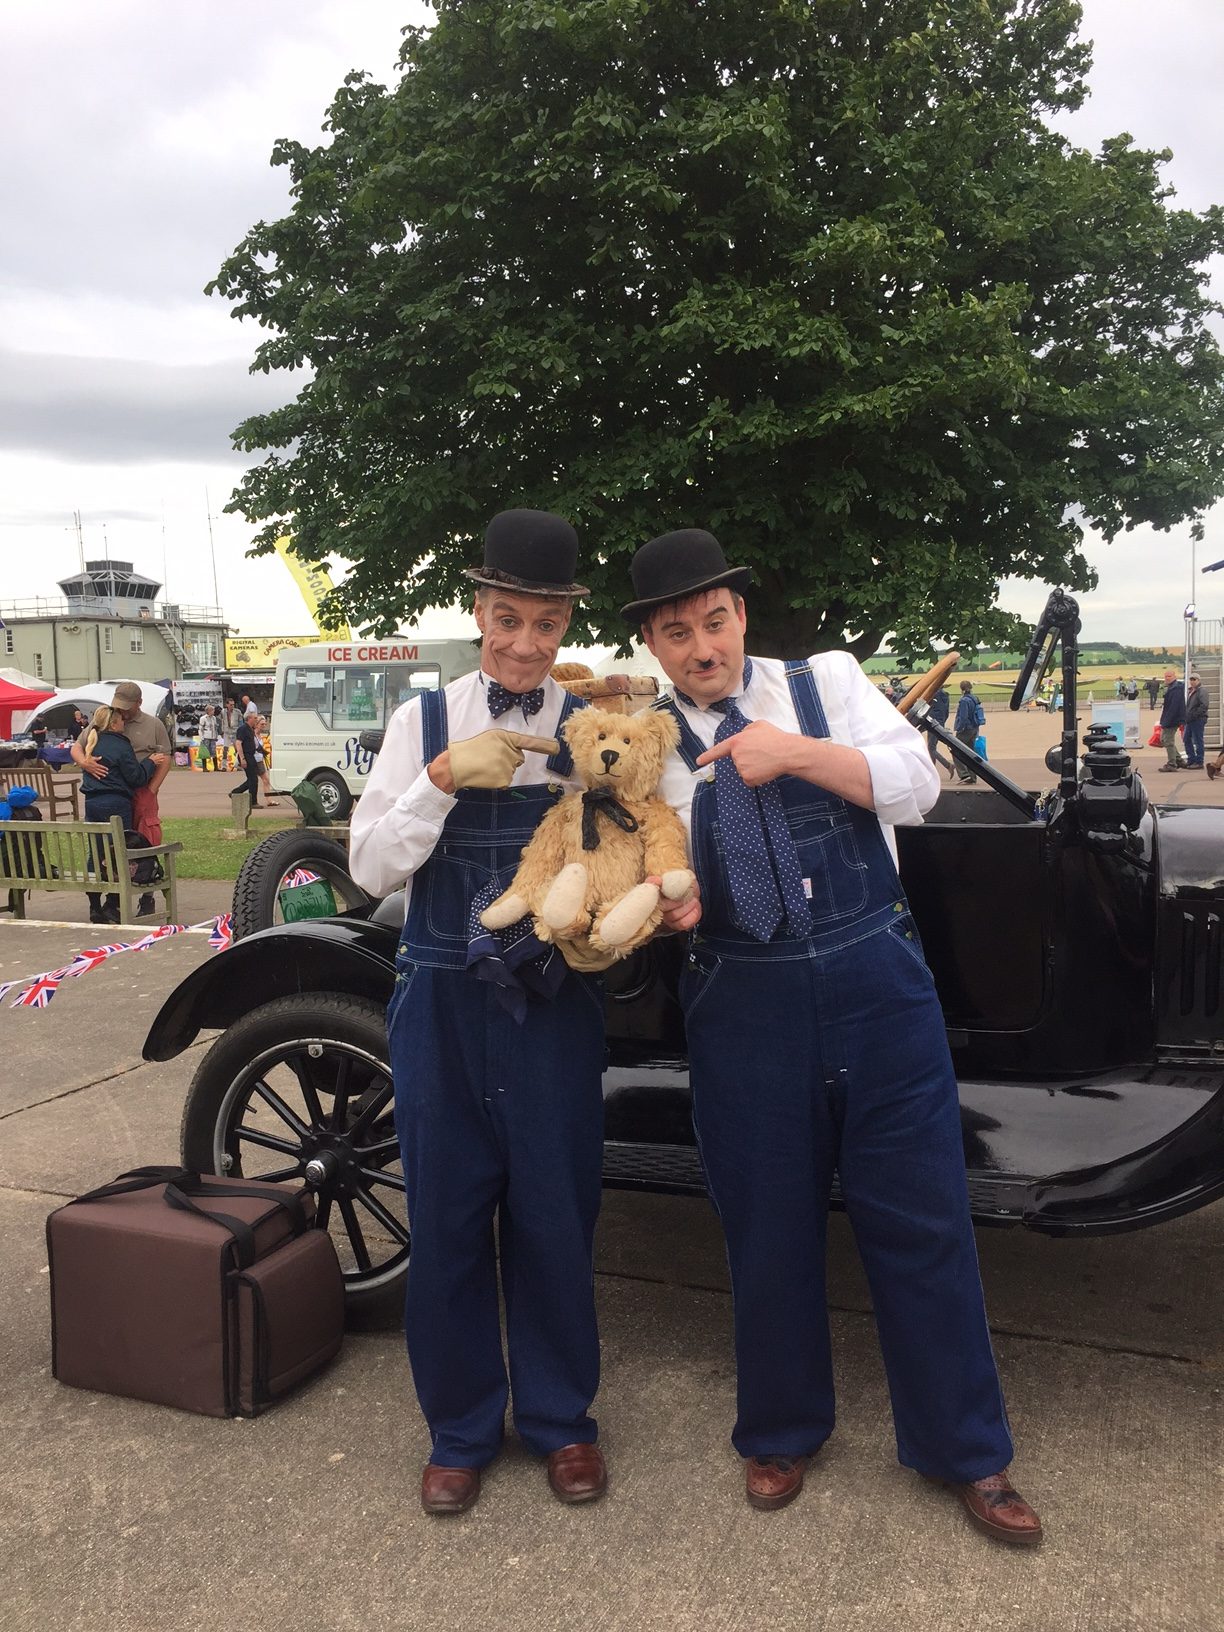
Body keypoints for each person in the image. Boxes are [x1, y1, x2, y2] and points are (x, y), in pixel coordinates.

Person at [624, 528, 1040, 1545]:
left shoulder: (827, 684)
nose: (701, 647)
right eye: (676, 633)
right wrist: (657, 903)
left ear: (740, 616)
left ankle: (968, 1451)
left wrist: (795, 754)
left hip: (877, 991)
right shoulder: (642, 748)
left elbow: (920, 786)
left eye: (713, 622)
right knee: (764, 1225)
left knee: (924, 1220)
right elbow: (636, 863)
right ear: (652, 643)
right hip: (743, 1009)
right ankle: (780, 1428)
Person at [348, 510, 609, 1517]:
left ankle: (560, 1422)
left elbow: (644, 829)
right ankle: (459, 1428)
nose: (524, 645)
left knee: (555, 1212)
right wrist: (442, 780)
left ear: (565, 625)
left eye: (545, 625)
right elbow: (370, 867)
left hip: (552, 1002)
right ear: (478, 611)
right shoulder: (424, 720)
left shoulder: (587, 726)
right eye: (507, 619)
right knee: (450, 1218)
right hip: (441, 999)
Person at [72, 681, 172, 915]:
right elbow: (77, 747)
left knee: (145, 841)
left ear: (139, 703)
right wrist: (84, 762)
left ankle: (143, 897)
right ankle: (113, 902)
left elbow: (166, 759)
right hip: (122, 791)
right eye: (120, 707)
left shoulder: (153, 724)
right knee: (122, 849)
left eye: (127, 707)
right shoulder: (107, 720)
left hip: (138, 792)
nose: (123, 712)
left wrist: (152, 791)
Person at [953, 679, 985, 784]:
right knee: (971, 752)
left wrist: (959, 728)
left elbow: (963, 717)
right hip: (975, 728)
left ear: (961, 689)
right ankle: (973, 776)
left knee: (956, 750)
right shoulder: (975, 698)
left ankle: (964, 774)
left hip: (965, 729)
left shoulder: (964, 701)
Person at [1157, 668, 1187, 771]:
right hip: (1169, 718)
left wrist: (1166, 721)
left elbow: (1174, 707)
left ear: (1174, 677)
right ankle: (1178, 759)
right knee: (1163, 740)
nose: (1167, 678)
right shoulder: (1171, 688)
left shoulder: (1176, 689)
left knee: (1168, 741)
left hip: (1172, 719)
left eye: (1169, 676)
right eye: (1166, 676)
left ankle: (1172, 764)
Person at [925, 685, 955, 778]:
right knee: (931, 747)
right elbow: (946, 712)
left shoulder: (934, 695)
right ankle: (932, 771)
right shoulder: (945, 696)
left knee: (931, 748)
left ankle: (948, 765)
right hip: (940, 723)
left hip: (932, 722)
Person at [234, 711, 261, 809]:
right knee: (253, 779)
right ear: (249, 718)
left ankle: (235, 793)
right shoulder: (243, 729)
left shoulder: (250, 729)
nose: (256, 720)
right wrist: (242, 758)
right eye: (255, 718)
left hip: (251, 755)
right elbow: (238, 743)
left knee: (252, 779)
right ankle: (253, 802)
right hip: (246, 756)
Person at [251, 715, 279, 806]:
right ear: (257, 724)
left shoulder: (260, 735)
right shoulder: (253, 735)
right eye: (262, 724)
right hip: (254, 760)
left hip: (259, 760)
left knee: (264, 780)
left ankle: (269, 800)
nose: (264, 726)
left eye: (265, 724)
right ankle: (268, 800)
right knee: (264, 780)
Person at [1183, 674, 1208, 768]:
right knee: (1186, 739)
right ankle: (1191, 759)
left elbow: (1204, 705)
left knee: (1198, 740)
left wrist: (1194, 715)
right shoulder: (1192, 691)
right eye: (1191, 679)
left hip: (1198, 719)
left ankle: (1199, 761)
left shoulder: (1202, 691)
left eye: (1194, 679)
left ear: (1198, 680)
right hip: (1190, 720)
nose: (1192, 681)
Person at [197, 704, 220, 771]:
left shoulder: (214, 718)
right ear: (208, 711)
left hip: (213, 737)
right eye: (212, 710)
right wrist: (201, 737)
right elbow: (200, 728)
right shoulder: (203, 718)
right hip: (206, 737)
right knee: (205, 752)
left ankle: (216, 767)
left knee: (213, 751)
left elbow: (215, 728)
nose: (214, 712)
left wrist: (216, 735)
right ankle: (204, 768)